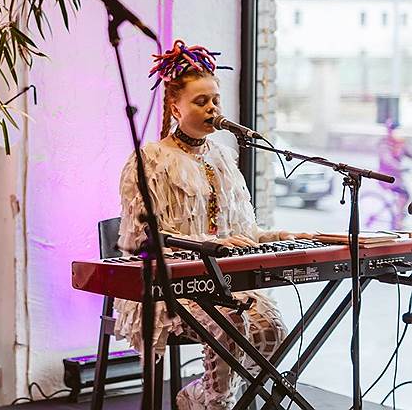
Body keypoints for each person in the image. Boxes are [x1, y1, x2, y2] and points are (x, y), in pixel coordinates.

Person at [113, 40, 310, 410]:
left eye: (215, 101)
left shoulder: (222, 156)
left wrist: (283, 236)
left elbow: (242, 230)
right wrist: (209, 243)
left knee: (273, 329)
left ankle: (201, 395)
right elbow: (145, 237)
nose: (212, 109)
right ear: (175, 107)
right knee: (232, 320)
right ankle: (215, 403)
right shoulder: (150, 159)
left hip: (225, 281)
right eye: (201, 101)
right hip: (171, 286)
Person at [377, 118, 412, 230]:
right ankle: (398, 220)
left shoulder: (400, 143)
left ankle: (399, 214)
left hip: (397, 178)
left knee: (405, 195)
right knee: (403, 194)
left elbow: (409, 153)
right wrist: (401, 167)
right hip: (386, 177)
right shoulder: (384, 144)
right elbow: (387, 160)